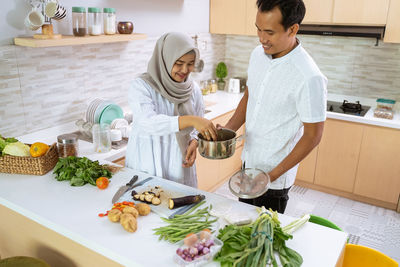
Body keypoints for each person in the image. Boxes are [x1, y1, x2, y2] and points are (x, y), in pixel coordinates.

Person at [222, 0, 327, 213]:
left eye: (269, 32)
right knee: (243, 226)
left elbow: (313, 136)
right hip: (248, 165)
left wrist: (270, 176)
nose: (262, 38)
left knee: (265, 239)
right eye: (258, 29)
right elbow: (248, 97)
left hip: (274, 178)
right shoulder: (257, 55)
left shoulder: (309, 76)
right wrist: (226, 132)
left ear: (293, 29)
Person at [125, 32, 217, 187]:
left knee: (181, 208)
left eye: (190, 63)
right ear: (165, 59)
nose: (185, 70)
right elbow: (148, 123)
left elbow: (196, 128)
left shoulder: (193, 89)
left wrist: (195, 141)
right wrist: (191, 120)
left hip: (179, 166)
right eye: (179, 63)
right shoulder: (141, 86)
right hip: (148, 165)